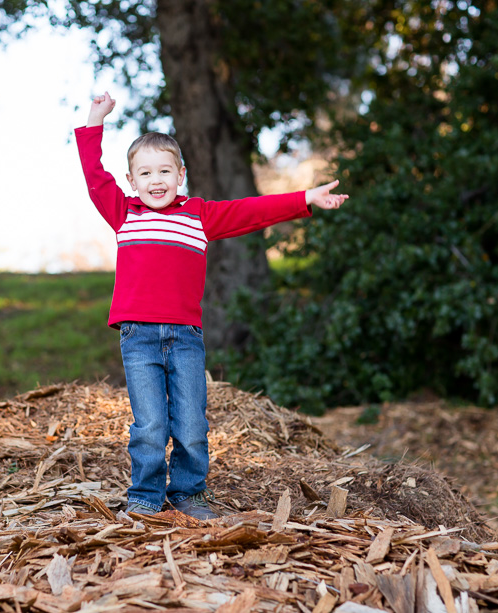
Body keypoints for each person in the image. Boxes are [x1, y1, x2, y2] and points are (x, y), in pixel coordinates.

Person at [75, 92, 348, 520]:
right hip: (139, 336)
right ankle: (145, 496)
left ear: (181, 174)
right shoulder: (123, 213)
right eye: (145, 173)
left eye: (165, 170)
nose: (156, 180)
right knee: (149, 426)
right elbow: (94, 174)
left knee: (191, 425)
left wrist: (305, 198)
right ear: (132, 181)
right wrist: (94, 120)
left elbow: (251, 211)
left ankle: (188, 493)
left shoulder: (199, 216)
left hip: (185, 337)